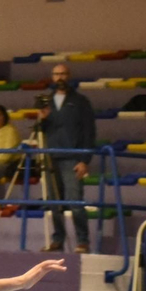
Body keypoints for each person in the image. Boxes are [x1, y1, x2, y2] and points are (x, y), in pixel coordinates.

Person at [38, 64, 96, 254]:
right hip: (51, 157)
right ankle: (58, 239)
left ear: (68, 76)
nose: (59, 77)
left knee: (75, 201)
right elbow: (42, 131)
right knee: (54, 203)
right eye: (56, 74)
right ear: (52, 77)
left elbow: (89, 132)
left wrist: (85, 160)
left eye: (62, 73)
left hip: (73, 157)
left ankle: (83, 240)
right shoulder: (46, 102)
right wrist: (43, 119)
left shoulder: (81, 101)